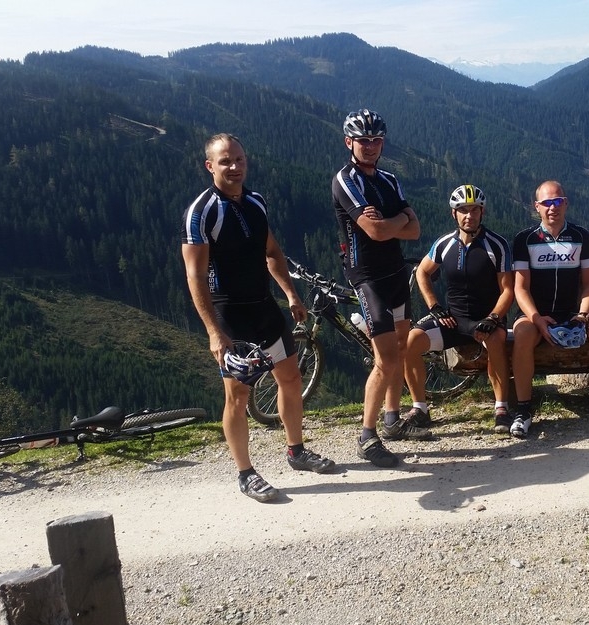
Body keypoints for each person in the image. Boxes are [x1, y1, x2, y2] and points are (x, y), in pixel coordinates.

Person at [181, 133, 336, 503]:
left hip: (264, 307)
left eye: (240, 159)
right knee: (237, 396)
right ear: (210, 166)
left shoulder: (256, 202)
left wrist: (291, 294)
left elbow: (272, 252)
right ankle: (245, 473)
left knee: (291, 378)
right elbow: (195, 276)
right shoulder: (201, 212)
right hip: (229, 315)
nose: (235, 167)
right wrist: (214, 332)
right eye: (225, 161)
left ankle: (296, 451)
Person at [331, 108, 428, 468]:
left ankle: (392, 420)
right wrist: (399, 219)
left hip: (395, 273)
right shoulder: (345, 180)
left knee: (399, 349)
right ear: (349, 142)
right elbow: (374, 232)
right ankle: (366, 436)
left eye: (376, 140)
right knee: (385, 358)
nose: (370, 146)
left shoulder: (389, 179)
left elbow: (414, 230)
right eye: (363, 140)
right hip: (367, 277)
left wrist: (392, 223)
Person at [509, 180, 589, 438]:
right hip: (537, 314)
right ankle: (523, 410)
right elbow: (520, 288)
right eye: (547, 203)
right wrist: (537, 319)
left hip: (573, 312)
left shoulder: (581, 236)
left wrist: (583, 316)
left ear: (565, 203)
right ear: (537, 206)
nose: (552, 207)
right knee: (521, 334)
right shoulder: (525, 239)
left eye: (557, 201)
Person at [403, 184, 515, 432]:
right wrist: (434, 306)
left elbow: (508, 289)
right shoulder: (444, 243)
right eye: (463, 210)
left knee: (496, 342)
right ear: (454, 213)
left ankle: (501, 408)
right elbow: (422, 271)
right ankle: (420, 409)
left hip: (486, 318)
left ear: (482, 212)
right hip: (453, 320)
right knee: (411, 342)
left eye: (474, 210)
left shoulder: (496, 245)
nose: (469, 215)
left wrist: (494, 318)